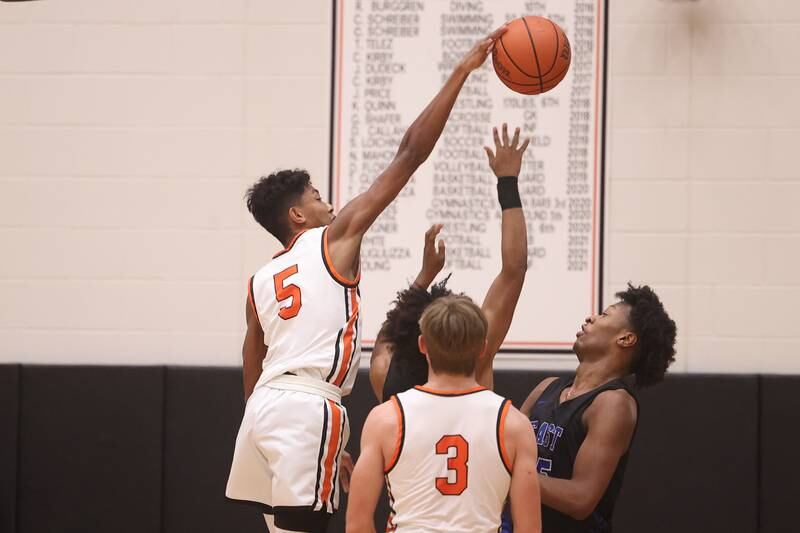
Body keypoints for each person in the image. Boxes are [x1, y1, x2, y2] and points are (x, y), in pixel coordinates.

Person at [224, 27, 507, 533]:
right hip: (310, 405)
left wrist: (277, 421)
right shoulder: (333, 238)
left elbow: (252, 358)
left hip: (263, 409)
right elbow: (408, 156)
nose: (324, 199)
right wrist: (462, 71)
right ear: (297, 215)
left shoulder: (261, 277)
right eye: (313, 194)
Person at [347, 296, 542, 533]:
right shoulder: (514, 424)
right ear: (483, 347)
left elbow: (358, 522)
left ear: (422, 345)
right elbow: (529, 528)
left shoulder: (386, 419)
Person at [369, 123, 530, 402]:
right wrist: (507, 181)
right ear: (477, 346)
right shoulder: (476, 365)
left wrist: (424, 276)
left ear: (421, 342)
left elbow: (391, 333)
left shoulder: (384, 373)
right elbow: (514, 270)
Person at [502, 284, 677, 533]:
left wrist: (512, 475)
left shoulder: (612, 403)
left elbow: (580, 498)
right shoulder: (547, 387)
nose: (590, 318)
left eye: (604, 315)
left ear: (625, 339)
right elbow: (503, 449)